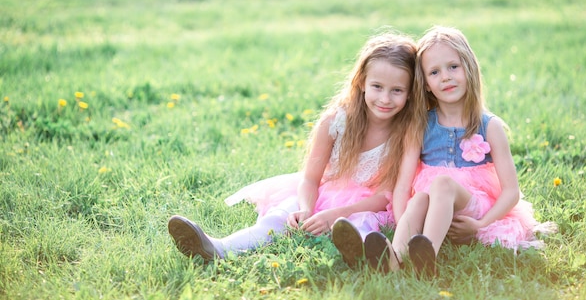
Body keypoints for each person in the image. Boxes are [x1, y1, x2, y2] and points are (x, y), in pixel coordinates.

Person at [168, 32, 421, 266]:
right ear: (362, 82)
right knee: (279, 218)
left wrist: (337, 214)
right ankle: (218, 247)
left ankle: (365, 256)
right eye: (377, 87)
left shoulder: (406, 132)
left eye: (397, 91)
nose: (385, 99)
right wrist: (307, 208)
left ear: (410, 93)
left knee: (360, 226)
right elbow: (310, 178)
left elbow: (387, 194)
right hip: (323, 193)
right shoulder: (337, 121)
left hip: (367, 206)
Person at [361, 26, 555, 277]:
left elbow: (511, 192)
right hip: (433, 207)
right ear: (426, 84)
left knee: (442, 184)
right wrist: (405, 221)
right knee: (419, 198)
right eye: (434, 72)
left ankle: (427, 255)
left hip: (473, 207)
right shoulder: (420, 125)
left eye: (453, 67)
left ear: (469, 68)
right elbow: (402, 186)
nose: (445, 77)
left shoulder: (489, 126)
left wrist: (480, 225)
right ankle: (396, 257)